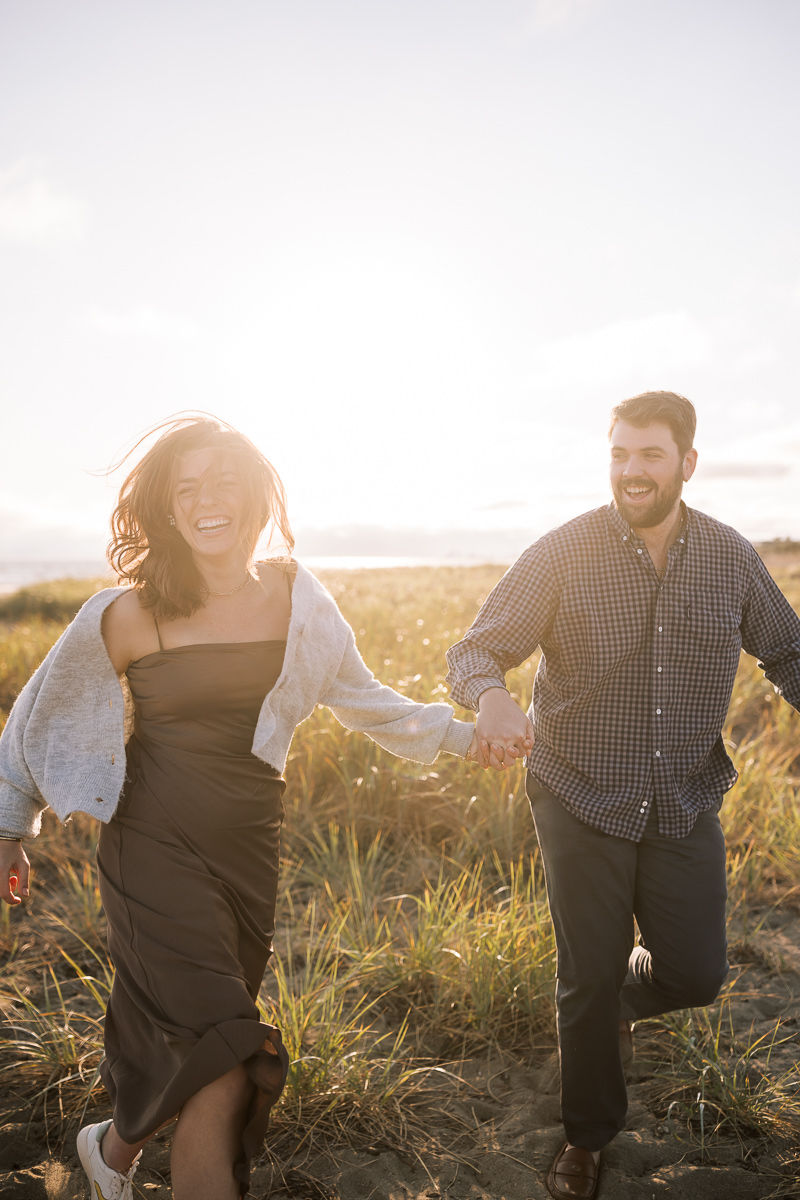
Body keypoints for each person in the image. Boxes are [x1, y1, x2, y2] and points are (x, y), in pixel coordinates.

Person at [0, 415, 486, 1200]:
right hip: (151, 849)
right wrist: (6, 829)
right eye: (186, 489)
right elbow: (34, 720)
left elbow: (368, 702)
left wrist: (467, 737)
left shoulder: (298, 600)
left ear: (256, 494)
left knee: (198, 1042)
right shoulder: (129, 613)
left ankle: (110, 1153)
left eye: (222, 482)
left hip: (247, 855)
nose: (206, 502)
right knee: (229, 1059)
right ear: (167, 509)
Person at [446, 391, 800, 1200]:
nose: (631, 471)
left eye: (649, 455)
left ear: (687, 462)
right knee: (587, 972)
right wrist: (493, 699)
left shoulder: (731, 557)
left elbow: (789, 652)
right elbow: (478, 648)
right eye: (619, 454)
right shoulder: (564, 552)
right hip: (578, 791)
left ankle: (613, 1006)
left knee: (697, 973)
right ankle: (587, 1136)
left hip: (682, 796)